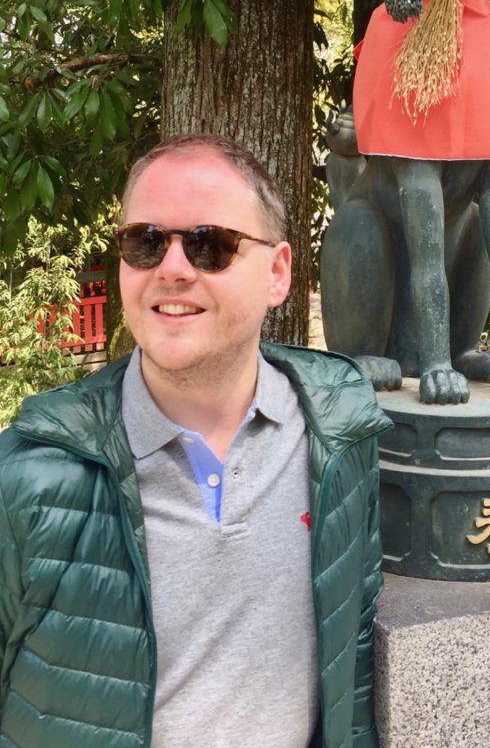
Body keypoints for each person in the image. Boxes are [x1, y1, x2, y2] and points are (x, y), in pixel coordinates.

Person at [0, 133, 393, 748]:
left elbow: (357, 646)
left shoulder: (339, 431)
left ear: (278, 272)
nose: (173, 269)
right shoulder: (32, 474)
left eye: (211, 245)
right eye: (145, 242)